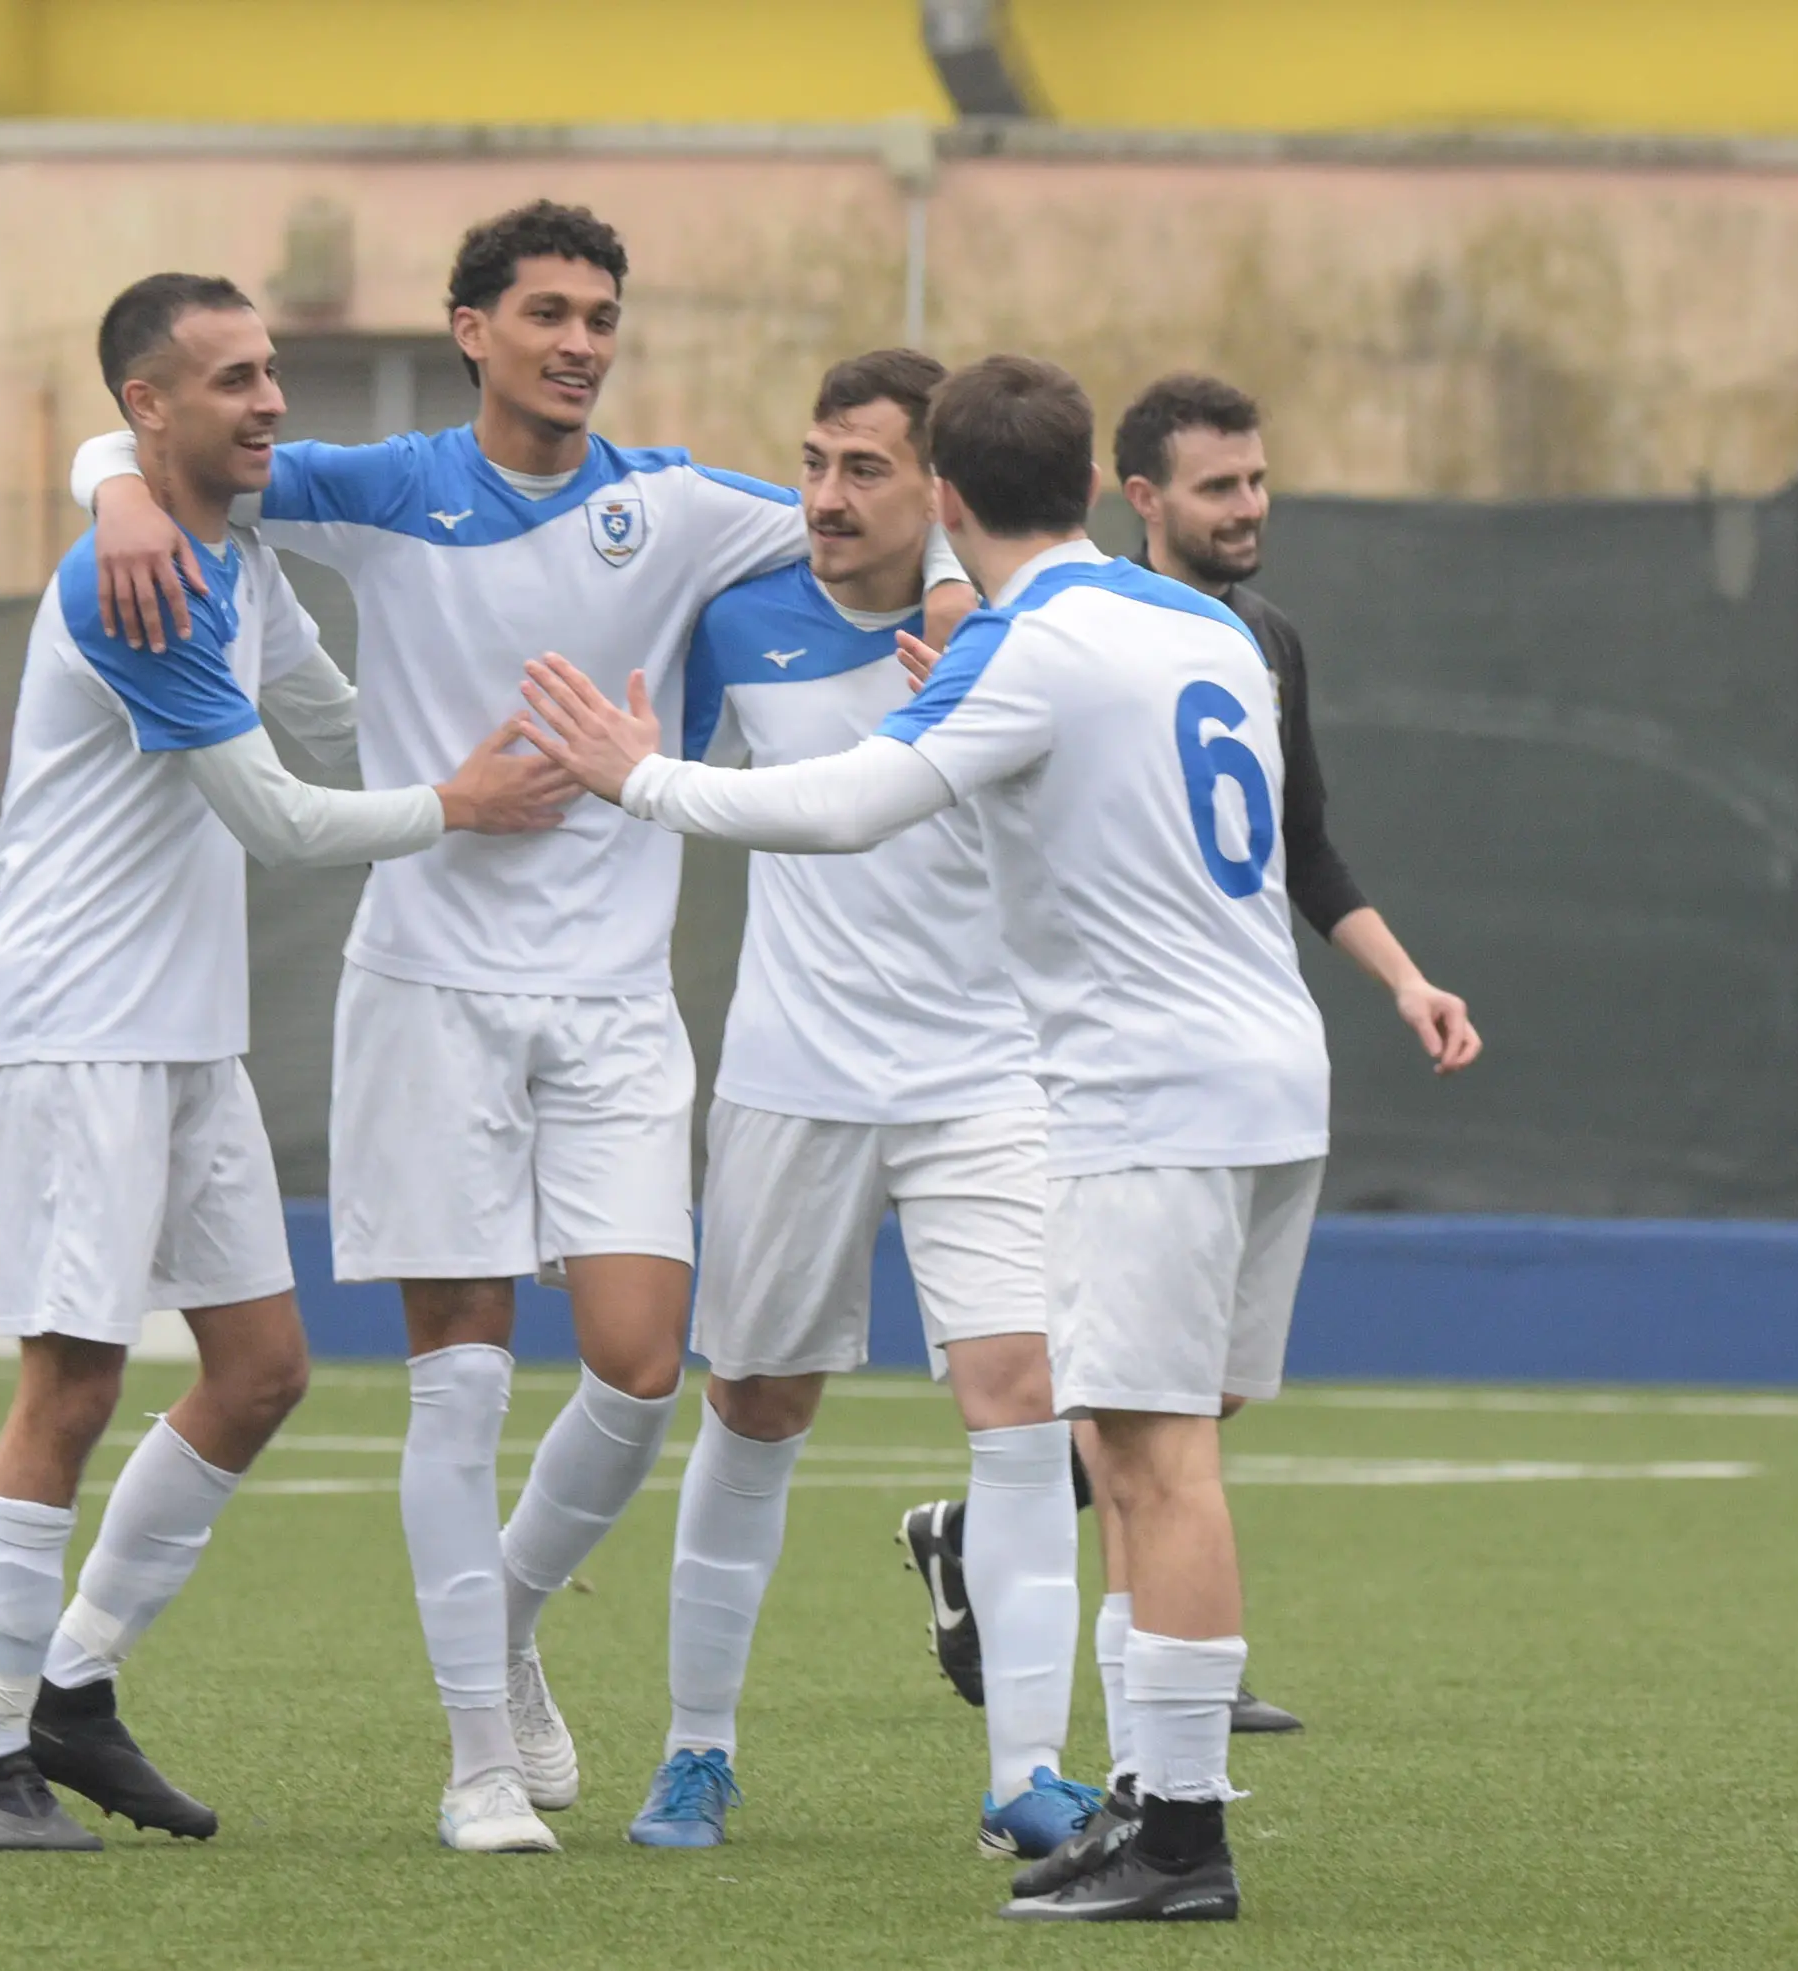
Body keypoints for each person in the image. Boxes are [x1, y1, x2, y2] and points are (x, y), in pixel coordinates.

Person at [72, 202, 975, 1854]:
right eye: (546, 313)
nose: (578, 342)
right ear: (470, 327)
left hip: (622, 1005)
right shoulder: (384, 489)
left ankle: (498, 1625)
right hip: (429, 994)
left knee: (639, 1367)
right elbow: (175, 443)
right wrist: (109, 483)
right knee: (460, 1386)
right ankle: (480, 1757)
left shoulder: (683, 507)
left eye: (600, 316)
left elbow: (896, 514)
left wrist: (974, 606)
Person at [517, 354, 1325, 1920]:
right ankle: (1147, 1807)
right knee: (1159, 1450)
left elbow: (849, 805)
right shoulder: (1203, 621)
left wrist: (635, 776)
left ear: (945, 497)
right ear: (1097, 483)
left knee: (1143, 1458)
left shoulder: (1023, 642)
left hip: (1140, 1092)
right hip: (1268, 1071)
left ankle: (1171, 1838)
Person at [0, 274, 570, 1851]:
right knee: (72, 1378)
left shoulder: (228, 552)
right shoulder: (122, 584)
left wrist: (503, 759)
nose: (274, 400)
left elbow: (335, 717)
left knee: (262, 1369)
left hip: (182, 1031)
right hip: (73, 1028)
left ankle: (73, 1686)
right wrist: (461, 807)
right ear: (152, 407)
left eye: (274, 369)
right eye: (233, 379)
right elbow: (281, 818)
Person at [893, 372, 1483, 1753]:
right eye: (1221, 486)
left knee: (1169, 1411)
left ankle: (998, 1557)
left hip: (1224, 1060)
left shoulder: (1257, 636)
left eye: (1261, 480)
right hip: (1107, 1061)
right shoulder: (1035, 632)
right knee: (1147, 1423)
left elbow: (1300, 846)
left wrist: (1405, 979)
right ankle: (1164, 1740)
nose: (1250, 508)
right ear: (1136, 498)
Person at [619, 349, 1092, 1862]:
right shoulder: (736, 616)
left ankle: (1028, 1771)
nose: (826, 496)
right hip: (791, 1076)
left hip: (984, 1076)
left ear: (940, 491)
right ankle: (697, 1748)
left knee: (1020, 1402)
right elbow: (654, 779)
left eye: (864, 469)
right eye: (814, 462)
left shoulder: (1027, 635)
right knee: (756, 1401)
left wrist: (964, 618)